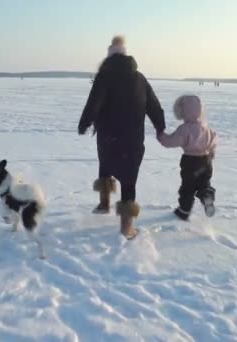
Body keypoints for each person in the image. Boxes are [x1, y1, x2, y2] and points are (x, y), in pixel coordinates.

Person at [78, 35, 165, 239]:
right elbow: (153, 105)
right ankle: (126, 225)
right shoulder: (140, 78)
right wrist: (160, 126)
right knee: (129, 180)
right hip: (133, 139)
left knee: (105, 166)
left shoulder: (104, 76)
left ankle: (104, 203)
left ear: (108, 57)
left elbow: (94, 103)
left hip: (108, 137)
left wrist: (85, 122)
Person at [157, 95, 217, 220]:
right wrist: (211, 152)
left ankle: (184, 211)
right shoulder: (206, 128)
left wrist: (161, 136)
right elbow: (214, 140)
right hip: (206, 161)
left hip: (190, 162)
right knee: (204, 183)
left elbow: (170, 142)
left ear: (182, 111)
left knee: (187, 188)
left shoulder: (184, 129)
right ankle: (207, 195)